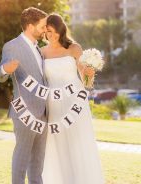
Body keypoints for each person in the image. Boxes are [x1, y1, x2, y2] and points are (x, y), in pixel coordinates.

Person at [41, 14, 105, 184]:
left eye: (53, 31)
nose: (50, 35)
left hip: (75, 102)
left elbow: (87, 83)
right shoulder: (41, 52)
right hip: (53, 104)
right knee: (58, 144)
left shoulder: (74, 48)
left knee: (78, 144)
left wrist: (90, 74)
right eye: (47, 32)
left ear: (61, 30)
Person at [0, 7, 48, 184]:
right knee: (22, 159)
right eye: (42, 26)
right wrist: (5, 69)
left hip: (44, 114)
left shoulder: (38, 48)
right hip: (25, 112)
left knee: (38, 164)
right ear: (30, 25)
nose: (44, 29)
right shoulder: (12, 46)